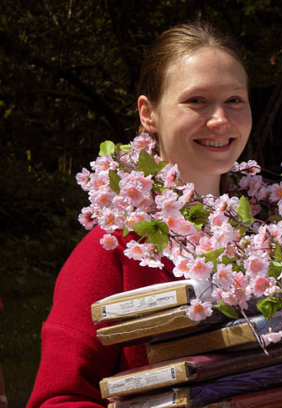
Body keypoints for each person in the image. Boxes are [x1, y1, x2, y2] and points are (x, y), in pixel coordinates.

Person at [27, 21, 252, 407]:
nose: (220, 120)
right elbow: (59, 399)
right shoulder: (113, 250)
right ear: (149, 114)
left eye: (234, 100)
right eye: (196, 100)